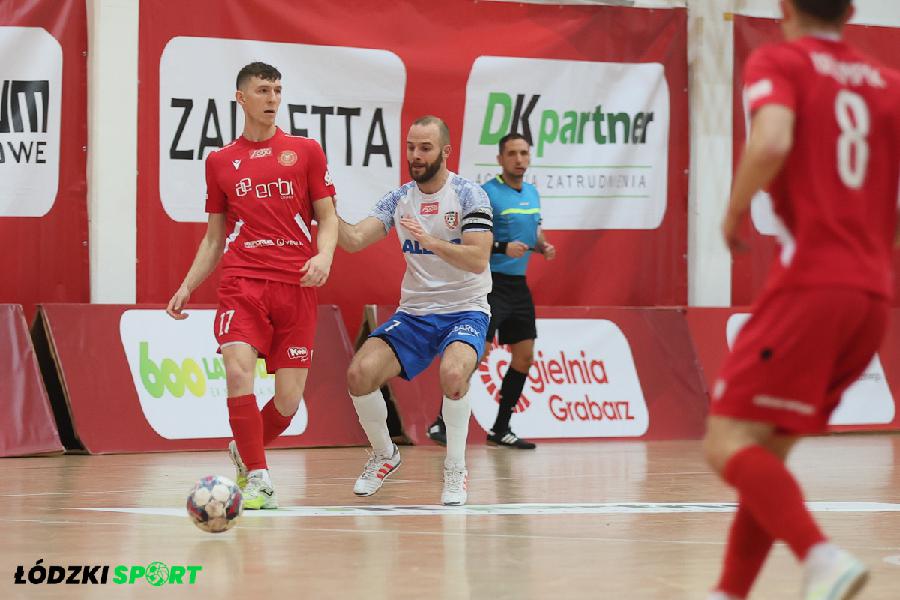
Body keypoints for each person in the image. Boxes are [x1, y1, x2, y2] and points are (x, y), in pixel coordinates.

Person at [704, 1, 900, 599]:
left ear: (785, 7)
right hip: (872, 295)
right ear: (851, 9)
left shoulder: (781, 61)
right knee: (768, 451)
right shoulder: (889, 84)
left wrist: (733, 211)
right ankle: (729, 593)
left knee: (727, 442)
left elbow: (771, 139)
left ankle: (820, 556)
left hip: (813, 282)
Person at [166, 62, 338, 510]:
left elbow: (328, 218)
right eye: (263, 90)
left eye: (277, 90)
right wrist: (187, 285)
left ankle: (244, 448)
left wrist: (323, 256)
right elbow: (214, 237)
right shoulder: (220, 161)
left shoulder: (306, 151)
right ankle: (260, 479)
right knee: (238, 369)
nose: (272, 98)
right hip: (242, 282)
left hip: (296, 285)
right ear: (241, 98)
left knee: (288, 402)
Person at [337, 115, 493, 506]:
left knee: (453, 374)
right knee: (359, 374)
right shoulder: (399, 199)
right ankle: (384, 454)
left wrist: (431, 241)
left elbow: (478, 259)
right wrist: (325, 209)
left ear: (445, 151)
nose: (416, 155)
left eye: (425, 148)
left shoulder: (469, 195)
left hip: (465, 308)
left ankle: (455, 468)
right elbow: (353, 241)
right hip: (415, 313)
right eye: (411, 147)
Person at [427, 133, 556, 450]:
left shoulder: (532, 193)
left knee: (524, 356)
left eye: (523, 153)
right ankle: (441, 422)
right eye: (512, 153)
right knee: (475, 354)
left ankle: (501, 428)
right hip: (489, 284)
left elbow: (534, 230)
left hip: (518, 286)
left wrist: (542, 245)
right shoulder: (486, 194)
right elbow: (468, 237)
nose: (519, 159)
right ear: (500, 159)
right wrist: (501, 247)